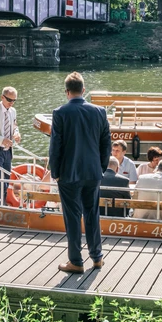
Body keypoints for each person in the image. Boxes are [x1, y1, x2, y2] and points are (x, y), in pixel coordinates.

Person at [48, 71, 111, 274]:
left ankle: (76, 261)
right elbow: (106, 145)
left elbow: (55, 146)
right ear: (83, 90)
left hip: (68, 173)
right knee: (92, 213)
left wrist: (55, 172)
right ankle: (97, 257)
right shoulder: (100, 112)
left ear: (67, 92)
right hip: (93, 172)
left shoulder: (60, 113)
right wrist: (100, 167)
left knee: (73, 216)